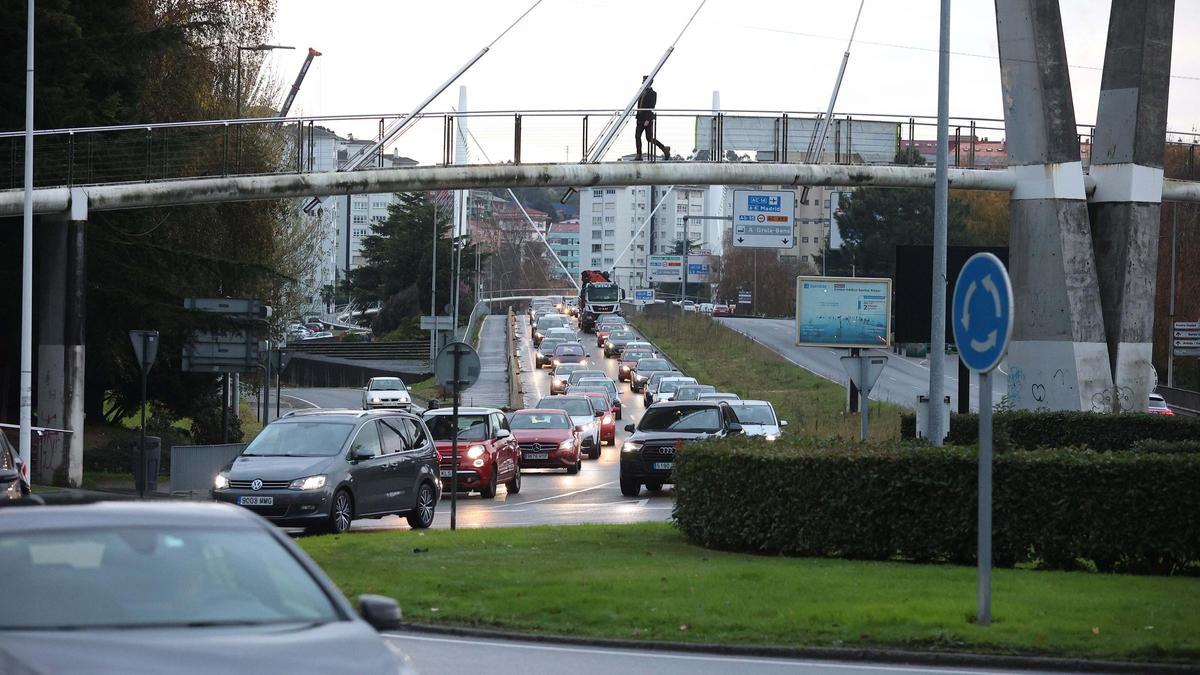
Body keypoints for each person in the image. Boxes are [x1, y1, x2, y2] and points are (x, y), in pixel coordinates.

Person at [634, 76, 670, 161]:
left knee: (649, 138)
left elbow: (651, 107)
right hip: (640, 118)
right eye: (642, 82)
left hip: (647, 119)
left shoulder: (653, 93)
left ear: (649, 83)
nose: (643, 83)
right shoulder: (641, 92)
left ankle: (664, 149)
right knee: (637, 136)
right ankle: (639, 154)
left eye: (644, 82)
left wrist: (647, 120)